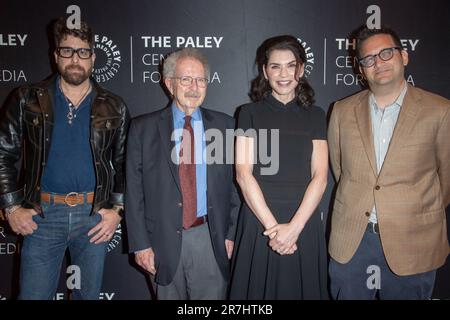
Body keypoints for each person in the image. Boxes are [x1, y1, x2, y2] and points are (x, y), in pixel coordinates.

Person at [0, 17, 129, 300]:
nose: (75, 59)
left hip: (92, 217)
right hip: (42, 216)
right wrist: (11, 208)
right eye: (67, 51)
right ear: (56, 55)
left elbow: (124, 164)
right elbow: (3, 154)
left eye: (83, 52)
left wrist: (116, 211)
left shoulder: (114, 105)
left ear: (93, 58)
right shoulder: (26, 98)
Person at [328, 26, 450, 299]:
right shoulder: (341, 111)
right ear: (361, 69)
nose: (378, 63)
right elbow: (340, 170)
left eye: (386, 53)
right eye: (368, 59)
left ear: (404, 56)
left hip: (413, 240)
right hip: (353, 241)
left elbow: (446, 180)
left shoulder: (441, 111)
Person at [125, 48, 240, 300]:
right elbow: (133, 192)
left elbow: (236, 186)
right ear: (169, 83)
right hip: (161, 241)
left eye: (200, 80)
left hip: (210, 239)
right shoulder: (142, 128)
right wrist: (141, 244)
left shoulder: (226, 126)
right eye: (186, 79)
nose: (194, 87)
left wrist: (231, 234)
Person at [229, 35, 329, 299]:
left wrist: (294, 228)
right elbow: (243, 174)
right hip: (259, 221)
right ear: (265, 71)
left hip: (303, 221)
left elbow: (320, 177)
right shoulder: (248, 112)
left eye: (290, 65)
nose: (283, 74)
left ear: (301, 69)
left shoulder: (317, 115)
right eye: (275, 66)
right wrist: (275, 229)